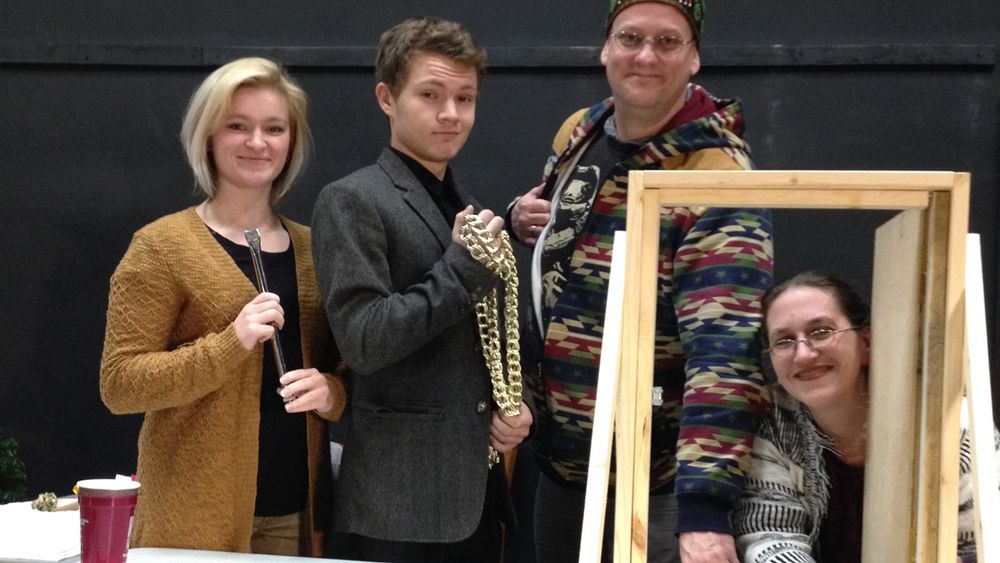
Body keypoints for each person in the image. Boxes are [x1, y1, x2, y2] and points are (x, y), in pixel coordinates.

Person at [507, 1, 773, 562]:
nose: (646, 55)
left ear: (695, 57)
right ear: (606, 49)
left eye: (668, 41)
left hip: (657, 487)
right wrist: (528, 216)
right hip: (563, 466)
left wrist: (704, 509)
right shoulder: (581, 132)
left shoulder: (715, 177)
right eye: (630, 37)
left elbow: (726, 354)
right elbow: (571, 235)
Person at [100, 57, 346, 556]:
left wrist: (333, 392)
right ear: (208, 136)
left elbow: (347, 369)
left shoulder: (315, 251)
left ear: (291, 142)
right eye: (238, 126)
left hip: (297, 517)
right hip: (192, 520)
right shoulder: (160, 247)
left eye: (273, 128)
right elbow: (120, 384)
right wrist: (229, 344)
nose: (258, 143)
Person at [310, 17, 533, 563]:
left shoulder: (463, 204)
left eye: (465, 97)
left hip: (477, 498)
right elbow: (363, 340)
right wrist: (459, 269)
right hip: (397, 506)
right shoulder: (352, 200)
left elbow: (490, 335)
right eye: (430, 94)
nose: (451, 113)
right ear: (387, 97)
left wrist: (517, 404)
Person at [732, 271, 1000, 563]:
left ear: (866, 342)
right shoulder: (773, 426)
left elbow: (985, 543)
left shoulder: (949, 424)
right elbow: (771, 540)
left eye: (821, 331)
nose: (803, 354)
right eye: (783, 341)